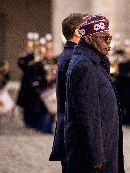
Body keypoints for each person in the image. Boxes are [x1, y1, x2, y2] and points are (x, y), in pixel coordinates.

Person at [64, 15, 124, 173]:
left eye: (109, 38)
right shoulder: (85, 66)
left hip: (103, 146)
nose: (108, 43)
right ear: (89, 39)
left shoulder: (94, 62)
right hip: (92, 154)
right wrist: (96, 155)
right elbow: (88, 115)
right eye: (103, 38)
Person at [49, 13, 86, 170]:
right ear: (78, 32)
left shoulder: (72, 55)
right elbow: (82, 101)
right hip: (76, 133)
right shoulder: (74, 58)